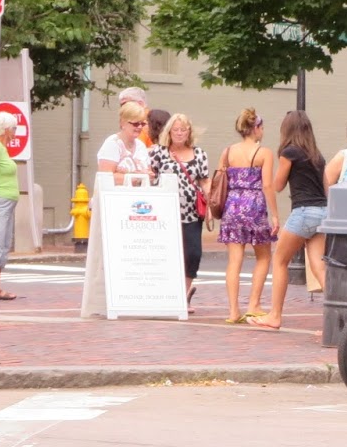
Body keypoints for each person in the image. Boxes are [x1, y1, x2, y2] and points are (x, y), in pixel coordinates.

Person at [252, 110, 327, 330]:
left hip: (303, 211)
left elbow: (277, 185)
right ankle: (336, 319)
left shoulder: (289, 152)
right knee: (319, 268)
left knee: (280, 260)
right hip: (322, 212)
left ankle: (275, 315)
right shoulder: (317, 155)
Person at [216, 107, 278, 324]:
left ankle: (233, 311)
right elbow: (268, 185)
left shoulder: (228, 151)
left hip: (232, 205)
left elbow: (219, 179)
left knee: (234, 261)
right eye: (261, 127)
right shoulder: (264, 153)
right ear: (255, 128)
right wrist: (275, 216)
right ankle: (254, 304)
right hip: (254, 205)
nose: (263, 132)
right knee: (263, 256)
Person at [148, 113, 210, 306]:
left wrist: (210, 206)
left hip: (191, 212)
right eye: (176, 129)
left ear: (189, 132)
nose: (180, 133)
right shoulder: (158, 152)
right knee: (167, 253)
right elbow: (150, 175)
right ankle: (169, 295)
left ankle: (183, 295)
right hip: (165, 213)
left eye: (183, 129)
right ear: (169, 131)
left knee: (192, 253)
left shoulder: (199, 154)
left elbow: (205, 181)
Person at [0, 111, 21, 302]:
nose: (15, 131)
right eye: (14, 128)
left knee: (4, 242)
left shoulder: (3, 148)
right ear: (6, 129)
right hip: (0, 201)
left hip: (7, 202)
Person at [97, 100, 152, 184]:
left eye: (142, 124)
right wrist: (136, 177)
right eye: (135, 124)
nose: (140, 127)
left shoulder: (141, 146)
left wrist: (149, 176)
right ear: (123, 123)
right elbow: (105, 177)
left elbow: (148, 172)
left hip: (139, 195)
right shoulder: (112, 143)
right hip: (114, 195)